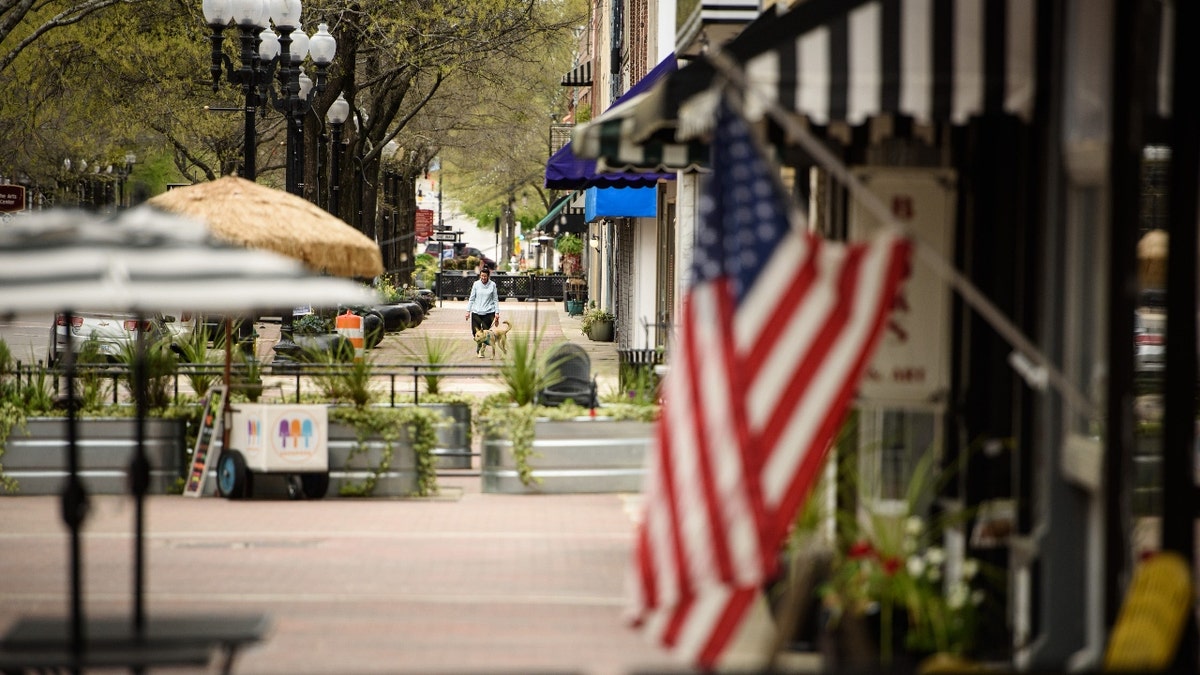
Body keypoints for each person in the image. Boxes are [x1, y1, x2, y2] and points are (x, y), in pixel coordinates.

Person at [465, 267, 499, 347]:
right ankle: (480, 346)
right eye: (482, 276)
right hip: (476, 311)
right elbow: (471, 298)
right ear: (480, 276)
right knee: (475, 332)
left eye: (485, 276)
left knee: (484, 333)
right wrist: (468, 311)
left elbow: (495, 300)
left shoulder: (492, 285)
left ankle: (480, 350)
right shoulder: (476, 284)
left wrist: (497, 312)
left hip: (489, 312)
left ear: (488, 276)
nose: (483, 278)